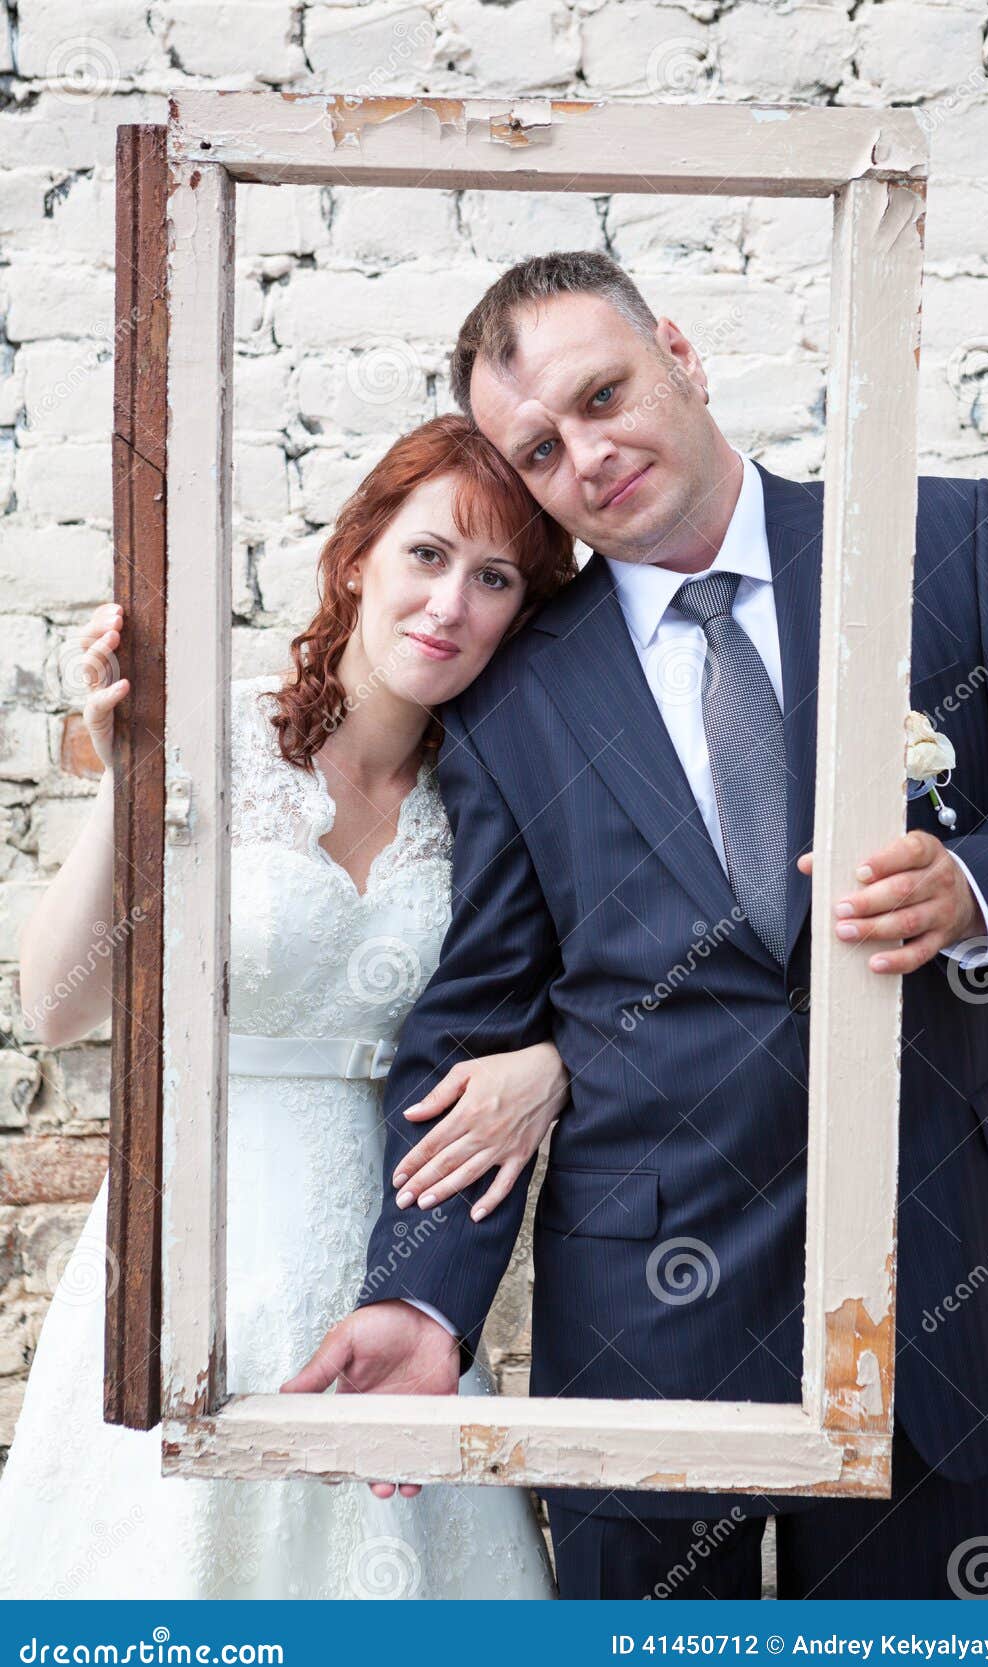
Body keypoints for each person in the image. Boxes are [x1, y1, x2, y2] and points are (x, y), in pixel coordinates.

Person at [298, 252, 988, 1601]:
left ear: (678, 352)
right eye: (539, 448)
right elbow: (479, 1017)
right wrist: (422, 1297)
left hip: (938, 1263)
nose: (585, 455)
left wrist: (976, 883)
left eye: (604, 395)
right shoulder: (516, 689)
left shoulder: (934, 544)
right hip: (646, 1322)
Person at [0, 414, 577, 1600]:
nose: (449, 604)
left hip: (400, 1244)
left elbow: (563, 986)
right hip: (192, 1235)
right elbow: (55, 1006)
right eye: (426, 555)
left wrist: (553, 1061)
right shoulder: (214, 731)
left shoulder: (498, 794)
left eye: (494, 578)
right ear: (357, 554)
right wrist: (129, 780)